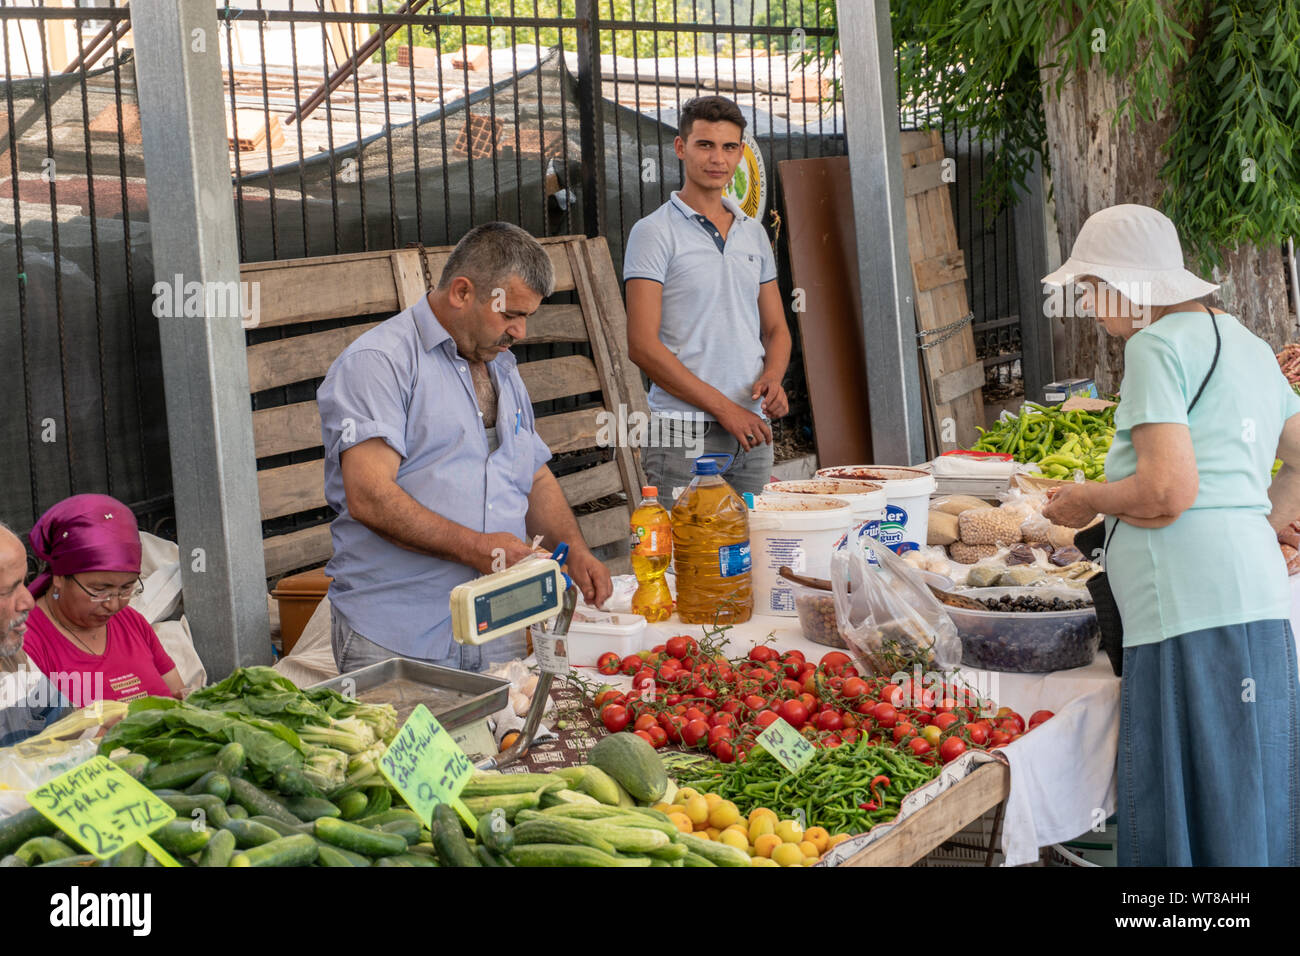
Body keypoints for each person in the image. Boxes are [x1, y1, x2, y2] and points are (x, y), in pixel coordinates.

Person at [1041, 203, 1300, 867]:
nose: (1088, 306)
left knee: (1187, 798)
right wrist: (1253, 528)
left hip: (1185, 609)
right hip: (1256, 599)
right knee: (1250, 793)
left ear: (1126, 286)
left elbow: (1165, 491)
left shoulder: (1154, 346)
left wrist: (1086, 500)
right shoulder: (1247, 343)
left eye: (1091, 288)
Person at [318, 222, 613, 674]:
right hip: (400, 634)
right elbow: (369, 496)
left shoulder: (501, 364)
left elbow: (531, 474)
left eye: (527, 317)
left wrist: (573, 549)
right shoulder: (378, 363)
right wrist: (479, 549)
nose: (520, 331)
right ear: (462, 292)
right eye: (510, 314)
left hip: (497, 626)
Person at [624, 94, 792, 508]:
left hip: (753, 433)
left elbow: (776, 329)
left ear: (740, 153)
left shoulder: (753, 233)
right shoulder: (653, 233)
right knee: (680, 548)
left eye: (729, 147)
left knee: (753, 545)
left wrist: (773, 377)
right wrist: (726, 411)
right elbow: (641, 346)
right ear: (681, 147)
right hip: (682, 433)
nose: (718, 158)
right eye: (705, 145)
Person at [20, 494, 184, 707]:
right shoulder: (25, 642)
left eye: (126, 588)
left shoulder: (131, 621)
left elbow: (178, 693)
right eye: (99, 590)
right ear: (59, 577)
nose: (113, 605)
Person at [0, 521, 71, 746]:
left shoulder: (12, 657)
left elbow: (63, 725)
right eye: (9, 591)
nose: (29, 601)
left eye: (24, 582)